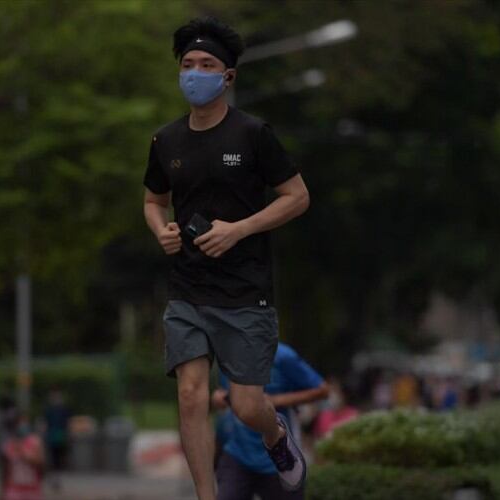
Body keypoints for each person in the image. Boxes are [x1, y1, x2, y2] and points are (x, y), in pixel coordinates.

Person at [142, 18, 310, 499]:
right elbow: (154, 201)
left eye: (207, 65)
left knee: (245, 406)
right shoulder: (165, 141)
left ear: (228, 76)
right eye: (188, 65)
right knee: (191, 395)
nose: (195, 73)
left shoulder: (254, 134)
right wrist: (163, 230)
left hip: (245, 291)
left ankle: (277, 436)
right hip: (188, 288)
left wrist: (240, 229)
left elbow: (297, 197)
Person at [211, 343, 327, 500]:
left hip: (279, 459)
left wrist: (275, 400)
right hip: (238, 453)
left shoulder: (283, 356)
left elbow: (322, 390)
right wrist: (220, 397)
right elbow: (226, 393)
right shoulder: (229, 354)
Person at [0, 412, 45, 500]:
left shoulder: (35, 442)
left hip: (32, 489)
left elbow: (41, 463)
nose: (23, 426)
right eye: (20, 423)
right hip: (13, 490)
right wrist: (2, 491)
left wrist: (23, 453)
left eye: (25, 422)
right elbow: (5, 469)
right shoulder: (9, 444)